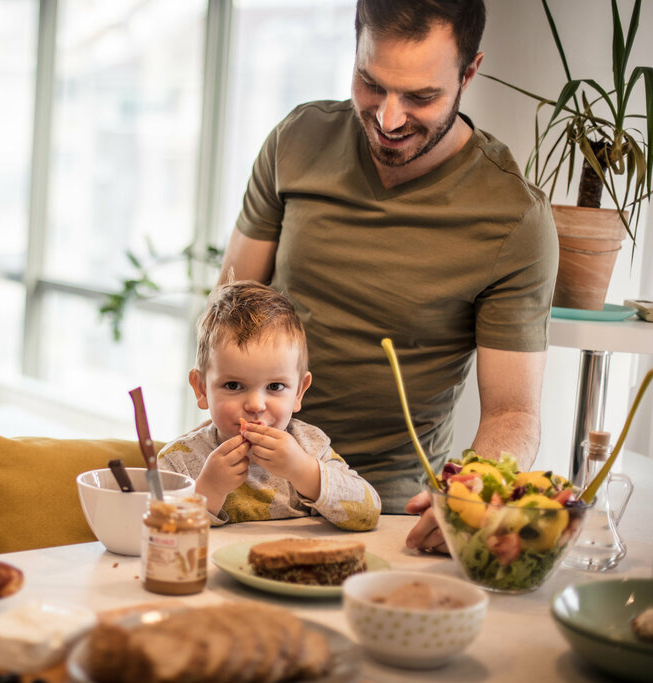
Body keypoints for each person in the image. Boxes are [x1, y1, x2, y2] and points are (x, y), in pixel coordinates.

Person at [217, 0, 558, 551]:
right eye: (370, 83)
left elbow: (513, 411)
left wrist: (470, 495)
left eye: (421, 97)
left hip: (394, 513)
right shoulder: (296, 141)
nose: (388, 118)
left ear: (469, 72)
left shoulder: (513, 217)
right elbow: (228, 307)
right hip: (257, 488)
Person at [159, 280, 381, 531]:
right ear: (201, 389)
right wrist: (207, 490)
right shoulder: (179, 462)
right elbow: (159, 535)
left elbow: (368, 513)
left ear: (299, 392)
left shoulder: (311, 447)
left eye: (275, 387)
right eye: (233, 385)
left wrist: (305, 472)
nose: (255, 405)